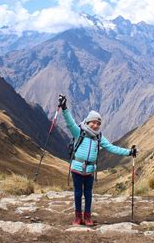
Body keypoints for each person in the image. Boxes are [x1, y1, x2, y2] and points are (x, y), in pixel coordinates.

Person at [58, 95, 137, 226]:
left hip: (89, 170)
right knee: (78, 193)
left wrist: (129, 152)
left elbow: (112, 148)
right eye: (93, 122)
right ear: (88, 122)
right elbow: (70, 122)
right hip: (77, 169)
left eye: (98, 123)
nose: (95, 125)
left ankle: (87, 217)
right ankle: (78, 218)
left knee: (88, 195)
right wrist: (64, 108)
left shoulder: (99, 137)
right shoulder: (79, 132)